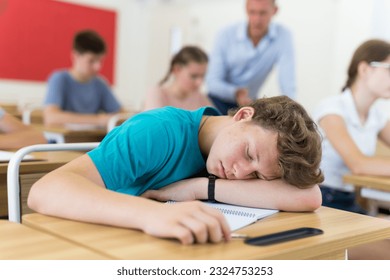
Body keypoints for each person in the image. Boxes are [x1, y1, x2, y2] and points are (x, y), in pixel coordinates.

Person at [28, 96, 323, 245]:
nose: (240, 173)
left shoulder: (222, 156)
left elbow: (310, 196)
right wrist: (153, 214)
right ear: (243, 115)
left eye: (257, 176)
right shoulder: (159, 131)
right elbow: (45, 190)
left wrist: (198, 189)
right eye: (248, 154)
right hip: (87, 244)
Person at [313, 39, 390, 214]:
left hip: (352, 199)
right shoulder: (331, 109)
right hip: (322, 199)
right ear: (364, 69)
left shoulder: (376, 117)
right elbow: (359, 164)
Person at [206, 0, 296, 114]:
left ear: (274, 11)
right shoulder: (225, 35)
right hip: (217, 102)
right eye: (252, 12)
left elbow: (288, 83)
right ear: (246, 9)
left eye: (262, 13)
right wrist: (235, 93)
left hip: (249, 104)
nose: (257, 20)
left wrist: (293, 111)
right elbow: (213, 82)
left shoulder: (283, 36)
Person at [43, 30, 123, 127]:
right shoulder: (59, 79)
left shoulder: (100, 83)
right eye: (91, 61)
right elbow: (51, 118)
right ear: (75, 56)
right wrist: (99, 120)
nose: (98, 66)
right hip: (65, 140)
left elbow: (120, 115)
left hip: (91, 139)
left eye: (100, 61)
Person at [143, 46, 213, 111]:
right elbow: (156, 122)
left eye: (203, 76)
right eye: (194, 76)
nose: (199, 82)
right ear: (177, 70)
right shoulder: (156, 93)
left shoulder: (200, 98)